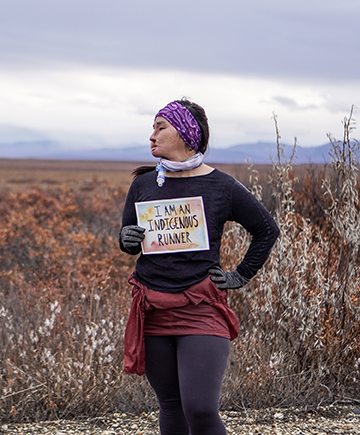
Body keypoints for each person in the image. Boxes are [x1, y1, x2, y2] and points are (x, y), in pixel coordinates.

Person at [119, 99, 279, 435]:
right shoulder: (144, 185)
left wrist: (241, 274)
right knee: (172, 407)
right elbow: (129, 239)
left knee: (201, 409)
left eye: (160, 127)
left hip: (201, 307)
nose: (152, 136)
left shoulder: (222, 186)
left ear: (187, 131)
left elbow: (266, 230)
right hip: (153, 308)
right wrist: (126, 239)